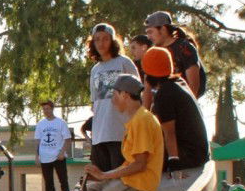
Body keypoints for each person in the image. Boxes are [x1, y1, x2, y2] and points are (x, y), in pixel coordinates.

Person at [64, 75, 164, 191]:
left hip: (137, 185)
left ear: (125, 95)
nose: (112, 101)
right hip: (125, 181)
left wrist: (104, 176)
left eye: (114, 95)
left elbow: (140, 164)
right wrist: (102, 175)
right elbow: (130, 163)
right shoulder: (135, 120)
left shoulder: (142, 120)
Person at [142, 47, 210, 177]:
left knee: (142, 155)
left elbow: (169, 133)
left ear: (148, 74)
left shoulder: (164, 94)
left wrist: (173, 162)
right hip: (200, 152)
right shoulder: (179, 82)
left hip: (189, 155)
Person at [87, 23, 140, 172]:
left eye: (105, 39)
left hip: (120, 133)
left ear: (112, 41)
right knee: (101, 178)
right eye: (97, 39)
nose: (101, 43)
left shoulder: (124, 63)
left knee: (119, 177)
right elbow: (94, 102)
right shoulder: (95, 69)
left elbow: (138, 96)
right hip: (99, 135)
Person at [144, 11, 207, 98]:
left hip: (183, 102)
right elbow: (148, 88)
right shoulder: (154, 53)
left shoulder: (184, 48)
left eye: (150, 32)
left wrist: (185, 105)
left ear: (163, 29)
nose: (148, 37)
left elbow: (194, 85)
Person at [35, 100, 72, 191]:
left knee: (63, 181)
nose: (45, 111)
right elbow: (38, 141)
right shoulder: (41, 124)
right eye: (44, 109)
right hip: (45, 157)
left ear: (52, 109)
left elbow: (68, 139)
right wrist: (37, 156)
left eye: (47, 109)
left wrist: (62, 152)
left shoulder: (61, 122)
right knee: (48, 183)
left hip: (58, 156)